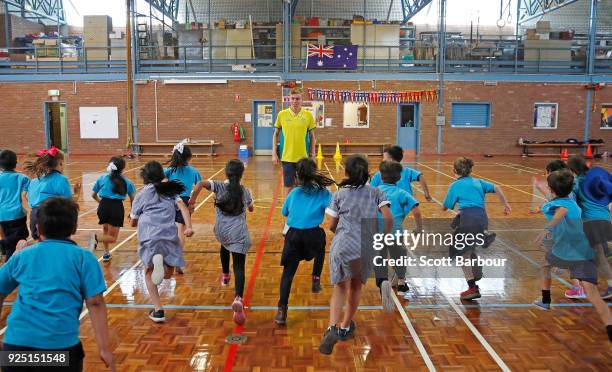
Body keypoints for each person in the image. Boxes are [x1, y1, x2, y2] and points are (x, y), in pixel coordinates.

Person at [0, 197, 116, 371]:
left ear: (37, 229)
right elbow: (95, 302)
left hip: (17, 346)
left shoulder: (23, 256)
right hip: (60, 349)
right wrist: (104, 348)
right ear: (75, 228)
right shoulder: (84, 258)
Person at [318, 154, 393, 355]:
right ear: (367, 172)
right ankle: (344, 327)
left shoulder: (340, 193)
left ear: (346, 172)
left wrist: (341, 235)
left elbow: (331, 224)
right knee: (355, 288)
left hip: (343, 244)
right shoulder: (377, 192)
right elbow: (388, 218)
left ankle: (331, 328)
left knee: (339, 288)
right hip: (366, 246)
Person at [532, 170, 612, 343]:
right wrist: (540, 190)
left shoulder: (555, 206)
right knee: (593, 294)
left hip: (565, 251)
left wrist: (547, 228)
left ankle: (545, 300)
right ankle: (610, 326)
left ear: (551, 189)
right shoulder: (574, 202)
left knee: (545, 265)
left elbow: (560, 210)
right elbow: (558, 203)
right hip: (584, 251)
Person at [130, 161, 194, 323]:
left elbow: (133, 221)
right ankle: (164, 267)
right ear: (162, 175)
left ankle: (158, 310)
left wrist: (134, 222)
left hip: (149, 235)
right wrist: (189, 227)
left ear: (145, 178)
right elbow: (184, 208)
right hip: (168, 234)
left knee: (148, 273)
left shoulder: (142, 194)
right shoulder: (170, 192)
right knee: (168, 274)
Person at [275, 158, 334, 325]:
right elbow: (332, 208)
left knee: (288, 273)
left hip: (293, 236)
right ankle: (316, 278)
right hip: (313, 235)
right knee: (321, 245)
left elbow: (284, 212)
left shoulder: (293, 193)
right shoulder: (322, 192)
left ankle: (282, 310)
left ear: (297, 176)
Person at [443, 157, 511, 301]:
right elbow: (497, 187)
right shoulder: (478, 182)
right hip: (482, 218)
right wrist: (506, 204)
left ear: (454, 170)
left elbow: (446, 206)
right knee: (469, 246)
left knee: (460, 254)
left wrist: (447, 205)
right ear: (470, 170)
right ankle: (478, 259)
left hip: (468, 219)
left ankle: (472, 287)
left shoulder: (454, 185)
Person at [203, 159, 253, 325]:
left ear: (226, 173)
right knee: (239, 266)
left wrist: (192, 201)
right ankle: (238, 297)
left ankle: (225, 275)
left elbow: (201, 184)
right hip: (237, 233)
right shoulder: (244, 191)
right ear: (241, 174)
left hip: (221, 231)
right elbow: (251, 208)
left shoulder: (219, 187)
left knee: (224, 246)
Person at [374, 161, 422, 306]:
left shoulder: (374, 192)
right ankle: (401, 282)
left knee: (380, 260)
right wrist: (419, 228)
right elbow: (417, 212)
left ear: (381, 177)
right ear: (399, 178)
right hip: (395, 234)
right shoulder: (402, 193)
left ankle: (383, 282)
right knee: (400, 257)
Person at [23, 146, 81, 245]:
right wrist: (77, 193)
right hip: (53, 217)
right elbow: (70, 204)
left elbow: (30, 202)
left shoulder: (34, 181)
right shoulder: (61, 180)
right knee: (58, 243)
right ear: (61, 163)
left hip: (35, 216)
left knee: (41, 245)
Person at [164, 140, 204, 274]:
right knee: (181, 230)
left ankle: (166, 255)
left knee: (171, 229)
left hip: (170, 199)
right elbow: (199, 185)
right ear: (189, 157)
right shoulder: (193, 171)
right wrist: (193, 200)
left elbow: (160, 180)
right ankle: (177, 260)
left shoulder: (169, 170)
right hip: (184, 200)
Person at [272, 87, 317, 196]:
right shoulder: (282, 114)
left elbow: (312, 136)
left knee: (303, 186)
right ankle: (288, 211)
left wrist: (313, 155)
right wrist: (274, 153)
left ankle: (300, 210)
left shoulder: (308, 115)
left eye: (297, 99)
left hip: (303, 158)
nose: (295, 101)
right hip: (287, 157)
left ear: (302, 100)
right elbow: (275, 134)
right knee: (288, 187)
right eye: (292, 98)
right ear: (289, 99)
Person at [90, 157, 136, 262]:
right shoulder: (127, 182)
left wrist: (100, 203)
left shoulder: (102, 178)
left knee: (105, 230)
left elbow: (93, 195)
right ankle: (96, 238)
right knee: (113, 238)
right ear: (123, 169)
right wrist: (132, 212)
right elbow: (133, 199)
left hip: (103, 206)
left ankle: (106, 253)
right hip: (116, 208)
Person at [0, 150, 30, 260]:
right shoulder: (22, 177)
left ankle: (6, 251)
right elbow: (27, 195)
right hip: (18, 214)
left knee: (7, 239)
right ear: (16, 163)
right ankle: (18, 260)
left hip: (2, 215)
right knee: (21, 239)